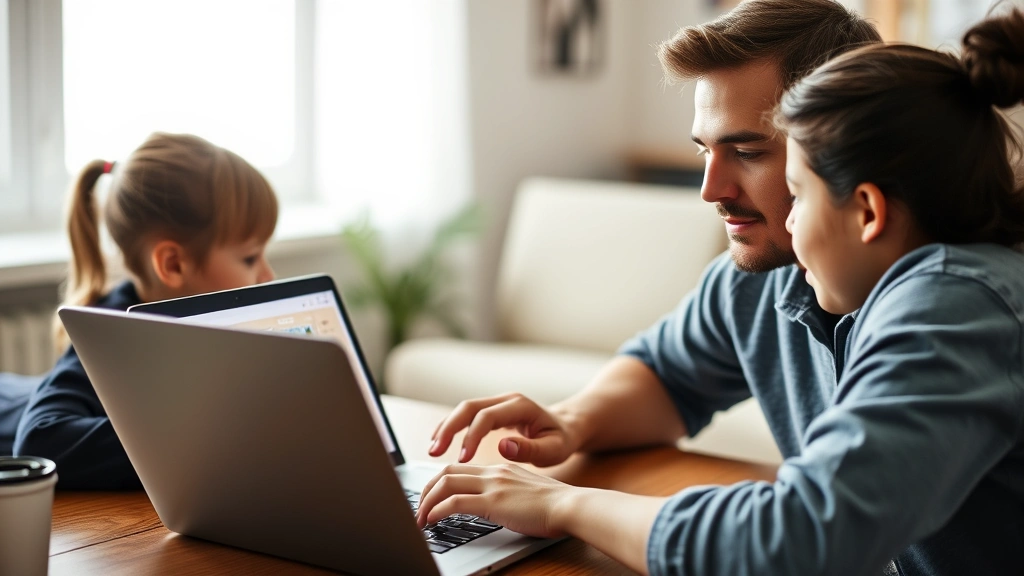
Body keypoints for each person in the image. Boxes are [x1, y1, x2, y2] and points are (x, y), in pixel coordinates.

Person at [416, 2, 1024, 575]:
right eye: (704, 149)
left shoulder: (954, 309)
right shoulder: (772, 272)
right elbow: (666, 371)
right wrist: (570, 422)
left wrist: (562, 505)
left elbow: (792, 537)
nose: (709, 189)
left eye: (751, 151)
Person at [12, 132, 278, 489]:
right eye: (249, 258)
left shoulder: (210, 328)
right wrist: (199, 440)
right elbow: (38, 440)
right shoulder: (113, 333)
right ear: (172, 264)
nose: (268, 274)